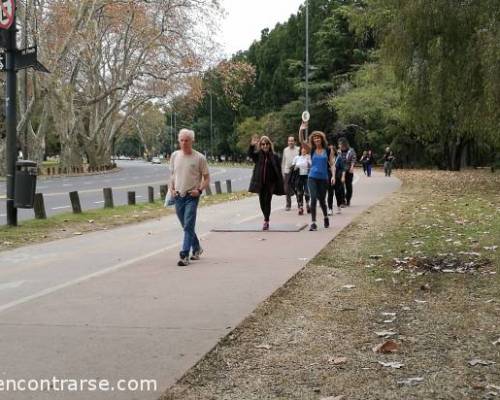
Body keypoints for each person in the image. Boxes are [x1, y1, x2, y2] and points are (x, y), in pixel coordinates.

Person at [169, 129, 210, 267]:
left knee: (188, 225)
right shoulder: (174, 156)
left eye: (187, 140)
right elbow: (172, 176)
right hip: (178, 197)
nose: (184, 143)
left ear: (192, 141)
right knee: (186, 226)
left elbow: (207, 178)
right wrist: (172, 190)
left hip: (191, 196)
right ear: (178, 141)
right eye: (182, 140)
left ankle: (184, 254)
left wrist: (199, 190)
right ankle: (197, 248)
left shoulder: (199, 158)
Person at [298, 122, 336, 231]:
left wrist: (333, 176)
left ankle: (325, 216)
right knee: (313, 198)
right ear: (313, 140)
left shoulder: (328, 150)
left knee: (322, 201)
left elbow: (332, 164)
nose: (316, 140)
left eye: (318, 138)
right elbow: (301, 141)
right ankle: (313, 223)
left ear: (321, 139)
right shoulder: (312, 149)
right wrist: (301, 129)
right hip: (312, 177)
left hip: (323, 178)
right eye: (314, 138)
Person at [248, 135, 285, 230]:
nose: (265, 146)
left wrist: (280, 181)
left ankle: (266, 220)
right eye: (263, 144)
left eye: (267, 144)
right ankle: (266, 217)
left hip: (270, 183)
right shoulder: (258, 155)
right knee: (261, 202)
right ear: (260, 145)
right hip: (260, 183)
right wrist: (252, 146)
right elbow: (250, 154)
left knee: (267, 201)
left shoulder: (275, 156)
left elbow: (278, 169)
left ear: (269, 145)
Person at [292, 145, 311, 215]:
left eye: (305, 149)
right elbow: (293, 167)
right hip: (299, 177)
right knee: (299, 193)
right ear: (300, 150)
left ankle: (308, 204)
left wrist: (308, 164)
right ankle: (300, 207)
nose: (303, 150)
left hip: (306, 176)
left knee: (307, 191)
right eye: (302, 149)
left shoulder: (308, 157)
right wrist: (296, 167)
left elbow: (311, 165)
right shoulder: (297, 158)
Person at [282, 136, 299, 211]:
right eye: (289, 141)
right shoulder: (285, 150)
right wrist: (282, 172)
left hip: (296, 170)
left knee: (297, 188)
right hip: (287, 171)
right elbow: (283, 161)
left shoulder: (298, 149)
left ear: (295, 142)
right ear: (287, 142)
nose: (291, 142)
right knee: (286, 189)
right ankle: (288, 205)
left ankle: (300, 203)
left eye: (292, 141)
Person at [338, 138, 356, 207]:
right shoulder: (338, 151)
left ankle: (348, 199)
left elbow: (353, 159)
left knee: (348, 186)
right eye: (339, 144)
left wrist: (352, 167)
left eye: (340, 144)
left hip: (348, 170)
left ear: (344, 144)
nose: (339, 145)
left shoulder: (351, 150)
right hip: (341, 171)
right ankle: (342, 201)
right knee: (340, 186)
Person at [331, 145, 346, 214]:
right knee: (330, 193)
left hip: (337, 177)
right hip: (329, 178)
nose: (331, 152)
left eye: (332, 150)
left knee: (337, 193)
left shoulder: (339, 158)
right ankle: (330, 208)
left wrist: (343, 177)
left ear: (334, 151)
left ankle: (339, 206)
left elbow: (343, 168)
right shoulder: (327, 158)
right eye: (329, 150)